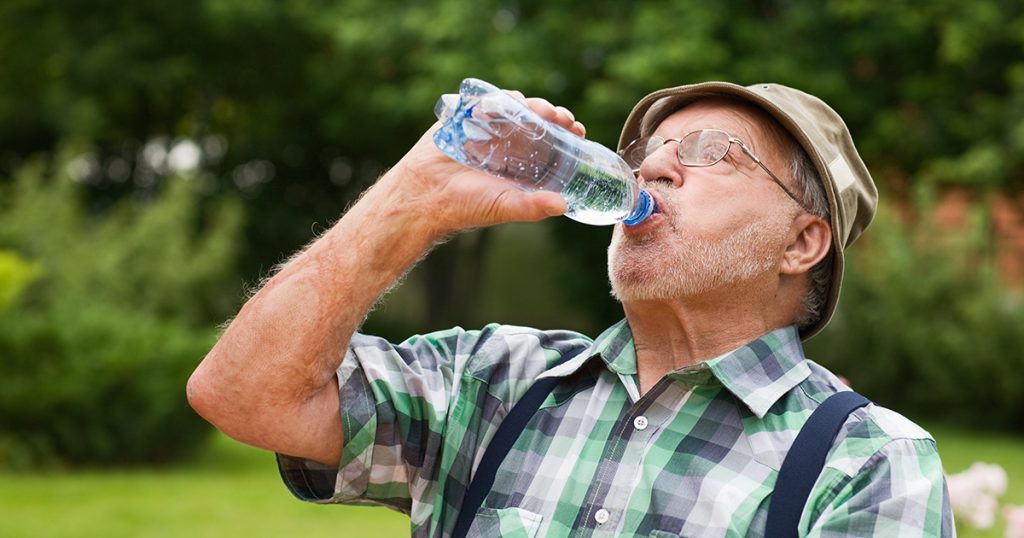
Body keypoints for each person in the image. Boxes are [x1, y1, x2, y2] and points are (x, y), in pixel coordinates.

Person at [187, 81, 955, 537]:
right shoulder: (492, 380)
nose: (653, 163)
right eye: (650, 149)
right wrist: (408, 207)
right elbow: (242, 393)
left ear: (802, 243)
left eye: (709, 150)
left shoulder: (864, 464)